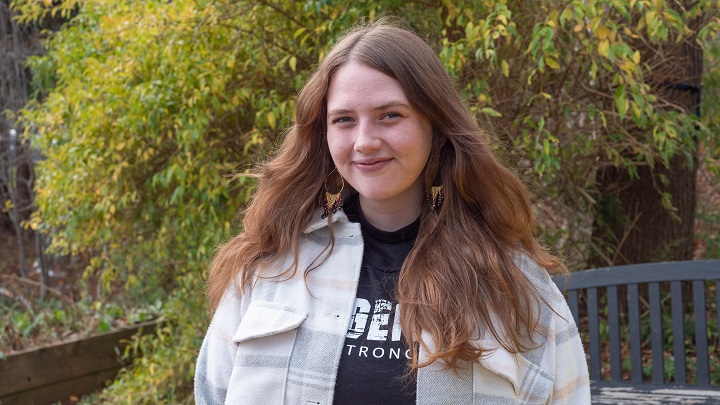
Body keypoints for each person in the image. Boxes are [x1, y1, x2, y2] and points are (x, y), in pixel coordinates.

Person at [194, 20, 590, 405]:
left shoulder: (513, 284)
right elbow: (211, 394)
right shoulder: (270, 267)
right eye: (344, 120)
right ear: (324, 133)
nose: (364, 141)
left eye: (390, 115)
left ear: (435, 125)